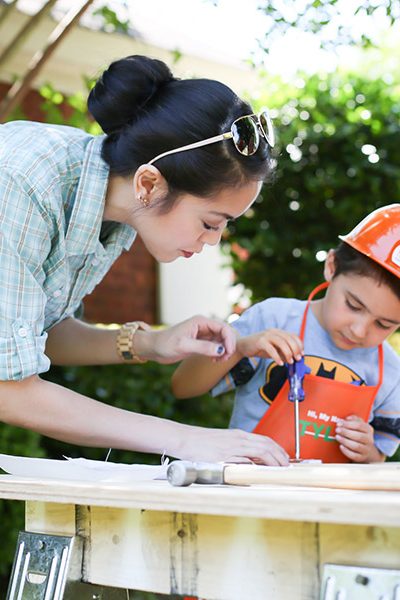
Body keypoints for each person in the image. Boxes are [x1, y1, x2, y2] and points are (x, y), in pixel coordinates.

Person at [0, 54, 289, 465]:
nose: (213, 241)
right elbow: (7, 388)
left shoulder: (116, 209)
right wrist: (186, 440)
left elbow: (40, 334)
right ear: (149, 183)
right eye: (211, 222)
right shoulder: (22, 183)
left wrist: (151, 343)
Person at [172, 205, 400, 464]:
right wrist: (241, 347)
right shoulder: (272, 319)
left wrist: (368, 451)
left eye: (384, 324)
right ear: (332, 266)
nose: (359, 330)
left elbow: (378, 459)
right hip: (250, 489)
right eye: (353, 305)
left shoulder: (392, 373)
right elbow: (183, 386)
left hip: (329, 502)